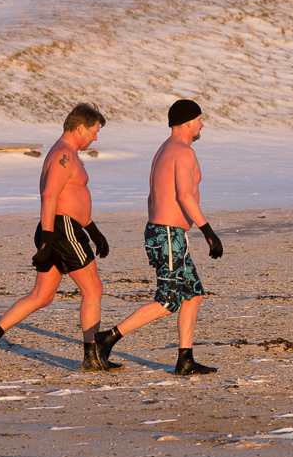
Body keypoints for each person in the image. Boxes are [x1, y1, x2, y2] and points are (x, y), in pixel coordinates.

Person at [0, 103, 117, 374]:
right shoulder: (64, 154)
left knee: (42, 296)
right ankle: (92, 358)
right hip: (62, 230)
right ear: (80, 128)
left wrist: (93, 230)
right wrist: (49, 237)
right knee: (93, 290)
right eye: (94, 131)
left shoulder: (65, 153)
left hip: (60, 228)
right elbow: (50, 195)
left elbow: (69, 197)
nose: (95, 138)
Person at [94, 99, 223, 377]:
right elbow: (184, 196)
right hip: (168, 234)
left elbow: (152, 196)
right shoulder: (183, 152)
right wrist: (208, 231)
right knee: (168, 301)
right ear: (187, 122)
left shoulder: (165, 149)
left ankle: (185, 360)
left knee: (193, 295)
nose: (202, 124)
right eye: (199, 119)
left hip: (165, 232)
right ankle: (107, 339)